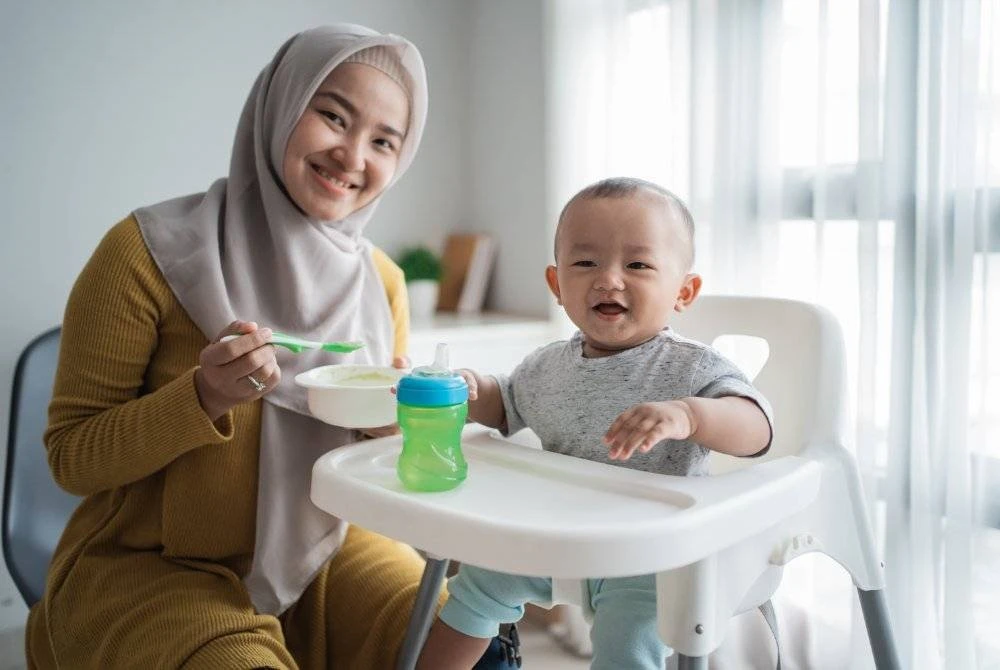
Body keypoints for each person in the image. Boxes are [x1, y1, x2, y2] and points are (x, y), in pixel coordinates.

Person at [27, 24, 447, 669]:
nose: (353, 155)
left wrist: (394, 429)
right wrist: (201, 397)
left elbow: (376, 473)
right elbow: (73, 460)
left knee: (455, 629)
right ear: (279, 106)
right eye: (333, 115)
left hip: (326, 551)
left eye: (384, 140)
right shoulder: (144, 252)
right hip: (152, 566)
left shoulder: (380, 281)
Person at [416, 177, 775, 670]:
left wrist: (690, 414)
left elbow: (756, 427)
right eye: (585, 263)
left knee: (628, 647)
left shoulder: (690, 368)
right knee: (475, 586)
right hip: (556, 534)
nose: (609, 278)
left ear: (684, 291)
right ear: (557, 284)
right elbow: (505, 406)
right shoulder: (546, 367)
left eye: (638, 264)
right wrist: (468, 387)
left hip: (649, 557)